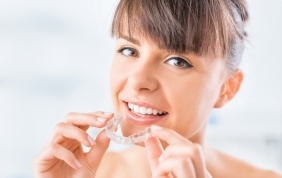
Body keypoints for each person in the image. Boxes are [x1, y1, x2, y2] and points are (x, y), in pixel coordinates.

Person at [33, 0, 282, 177]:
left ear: (226, 88)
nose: (138, 80)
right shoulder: (81, 173)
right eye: (129, 51)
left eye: (177, 61)